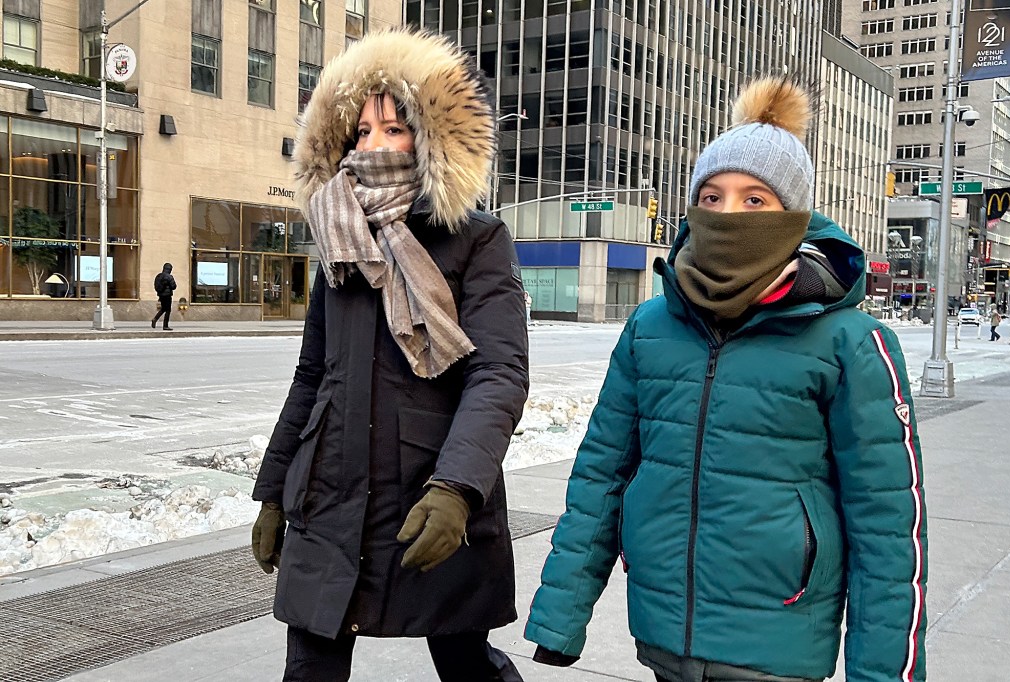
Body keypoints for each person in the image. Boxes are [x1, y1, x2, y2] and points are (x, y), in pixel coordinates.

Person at [525, 77, 927, 682]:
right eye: (711, 197)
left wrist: (885, 673)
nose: (728, 214)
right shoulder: (651, 326)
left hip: (779, 646)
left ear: (793, 214)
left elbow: (890, 531)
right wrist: (561, 612)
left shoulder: (852, 342)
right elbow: (601, 474)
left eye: (754, 200)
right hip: (663, 637)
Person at [250, 29, 529, 682]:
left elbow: (497, 373)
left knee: (465, 661)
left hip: (427, 492)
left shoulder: (477, 239)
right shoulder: (337, 237)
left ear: (431, 137)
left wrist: (458, 489)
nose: (374, 145)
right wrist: (273, 490)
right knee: (309, 665)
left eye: (395, 128)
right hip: (330, 496)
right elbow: (313, 376)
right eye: (362, 130)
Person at [151, 262, 176, 330]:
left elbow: (156, 286)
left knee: (163, 308)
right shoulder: (169, 277)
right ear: (170, 269)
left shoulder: (158, 276)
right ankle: (165, 325)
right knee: (168, 310)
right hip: (167, 295)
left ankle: (155, 319)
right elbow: (174, 286)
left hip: (161, 295)